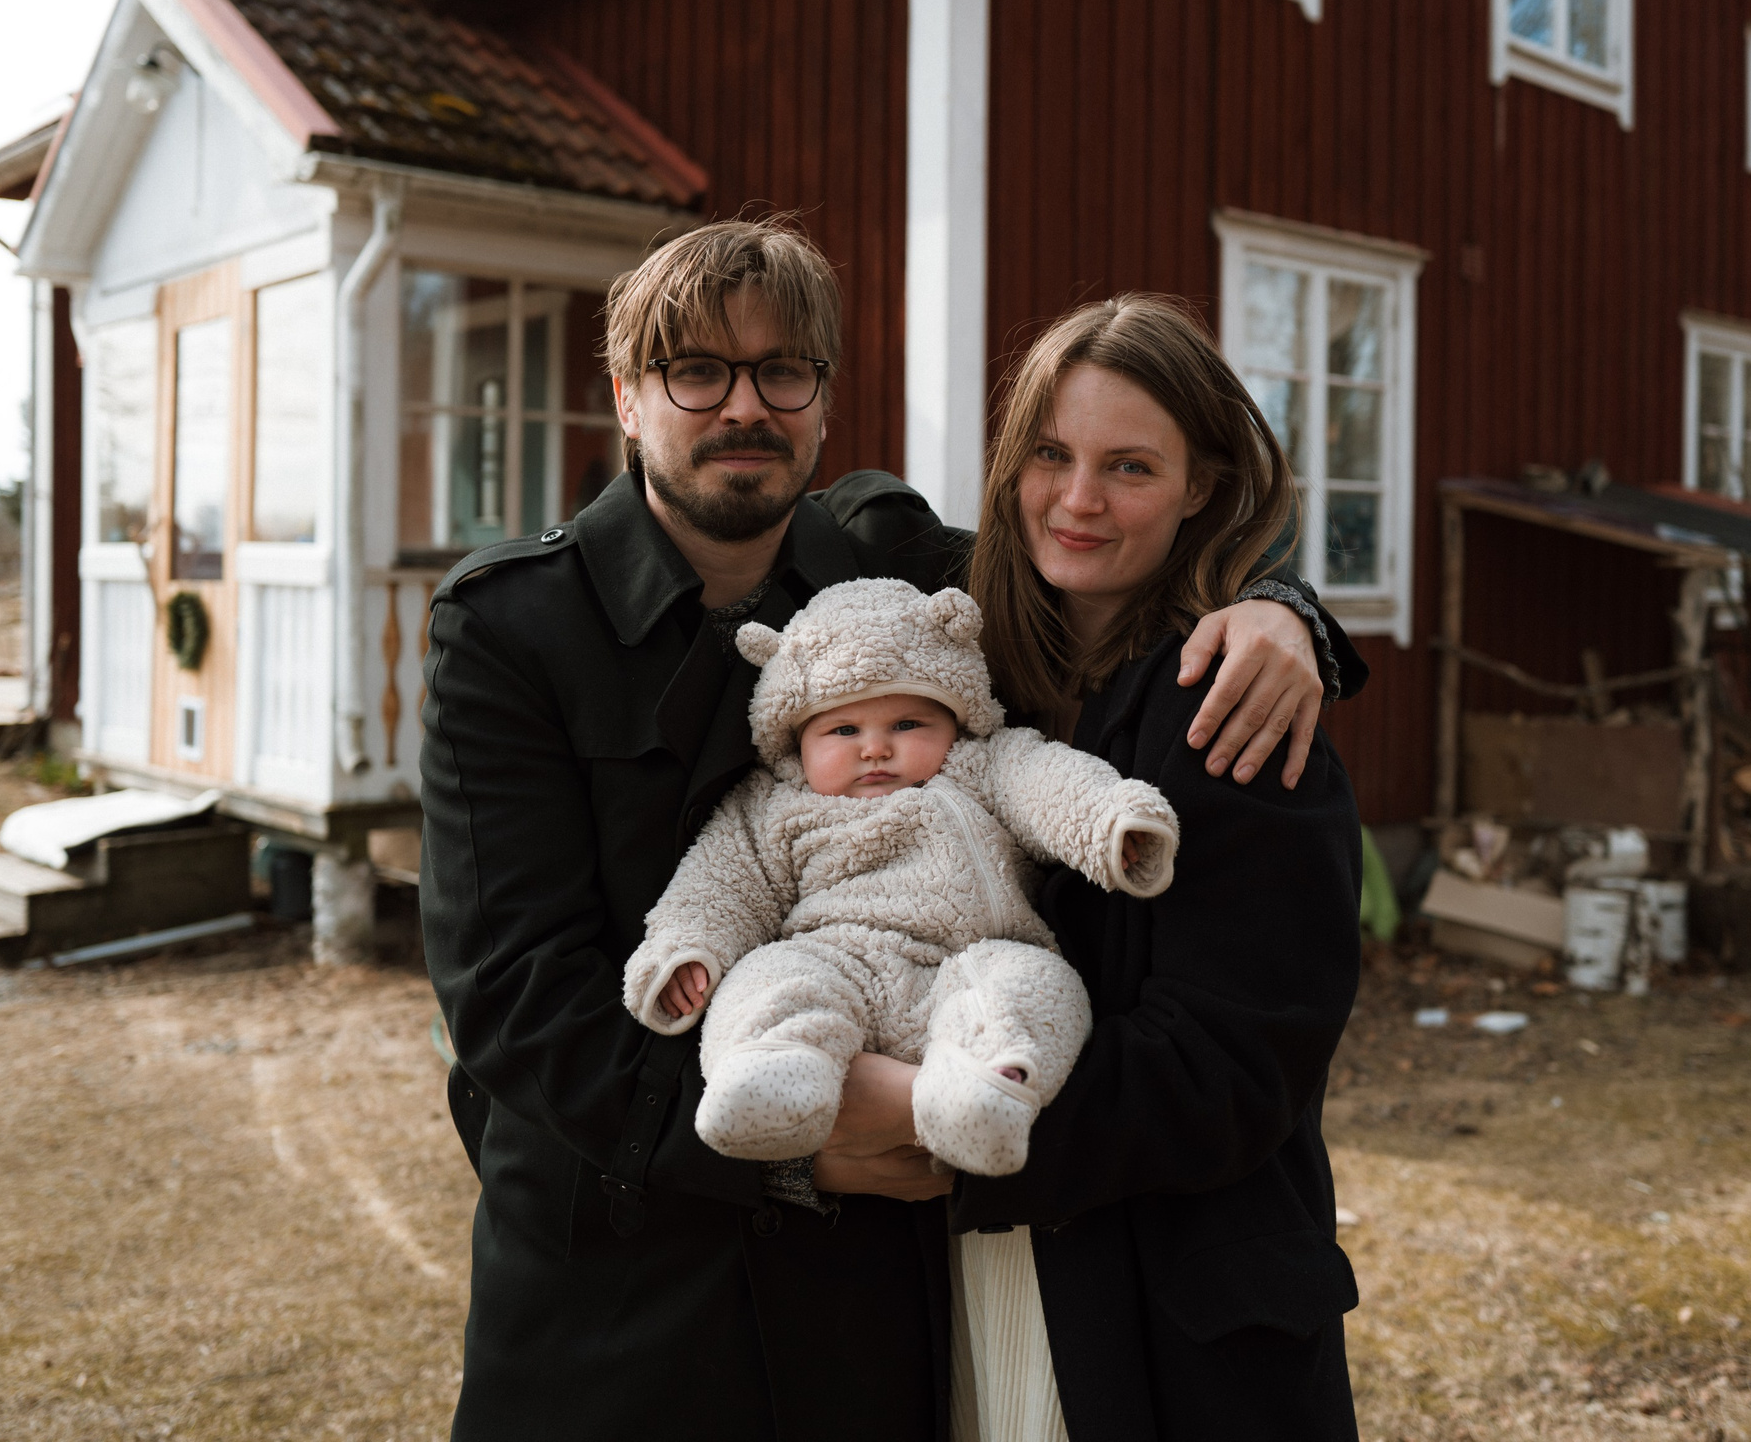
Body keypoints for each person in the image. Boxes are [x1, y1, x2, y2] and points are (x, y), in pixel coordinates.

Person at [418, 222, 1359, 1441]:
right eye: (694, 372)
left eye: (782, 371)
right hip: (622, 1279)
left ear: (823, 395)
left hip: (863, 1298)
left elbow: (1107, 549)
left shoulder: (887, 564)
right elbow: (512, 994)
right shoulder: (512, 629)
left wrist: (1281, 610)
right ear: (625, 396)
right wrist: (794, 1139)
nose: (743, 407)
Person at [913, 296, 1363, 1440]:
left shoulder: (1232, 709)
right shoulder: (971, 681)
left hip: (1177, 1330)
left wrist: (946, 1121)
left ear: (1202, 486)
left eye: (1129, 467)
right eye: (1049, 455)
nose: (1076, 500)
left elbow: (1229, 1070)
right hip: (993, 1279)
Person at [622, 576, 1179, 1179]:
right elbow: (720, 886)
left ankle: (985, 1087)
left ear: (956, 718)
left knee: (1039, 985)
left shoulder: (983, 764)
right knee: (769, 978)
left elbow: (1051, 785)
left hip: (974, 960)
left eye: (908, 724)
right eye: (844, 730)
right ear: (795, 738)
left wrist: (1109, 822)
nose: (876, 749)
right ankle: (773, 1069)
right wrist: (685, 951)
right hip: (836, 961)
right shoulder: (773, 805)